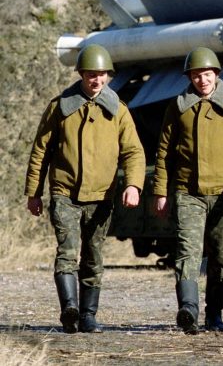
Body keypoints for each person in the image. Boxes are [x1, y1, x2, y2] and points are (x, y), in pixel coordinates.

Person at [24, 44, 146, 334]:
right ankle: (70, 308)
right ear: (81, 74)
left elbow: (133, 152)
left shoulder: (118, 111)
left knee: (94, 255)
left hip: (102, 194)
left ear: (109, 76)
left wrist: (133, 185)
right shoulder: (60, 107)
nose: (97, 80)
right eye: (92, 74)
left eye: (102, 75)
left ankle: (89, 315)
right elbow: (40, 150)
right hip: (64, 192)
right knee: (66, 252)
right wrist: (34, 192)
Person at [153, 47, 223, 334]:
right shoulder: (178, 106)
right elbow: (163, 152)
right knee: (187, 251)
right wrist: (160, 191)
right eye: (196, 75)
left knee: (220, 255)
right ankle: (188, 309)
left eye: (206, 74)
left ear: (216, 75)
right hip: (188, 192)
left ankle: (215, 314)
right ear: (189, 77)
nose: (202, 80)